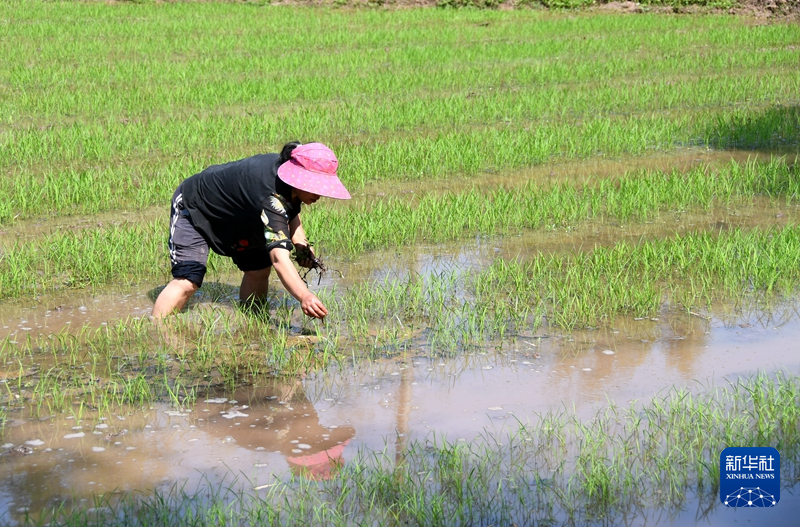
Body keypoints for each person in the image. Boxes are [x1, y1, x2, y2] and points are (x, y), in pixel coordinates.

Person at [152, 141, 350, 319]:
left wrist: (301, 244)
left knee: (258, 270)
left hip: (240, 214)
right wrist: (304, 296)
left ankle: (253, 322)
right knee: (188, 280)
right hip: (195, 205)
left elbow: (289, 210)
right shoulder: (271, 196)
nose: (320, 193)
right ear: (299, 178)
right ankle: (156, 331)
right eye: (316, 186)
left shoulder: (287, 174)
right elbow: (279, 259)